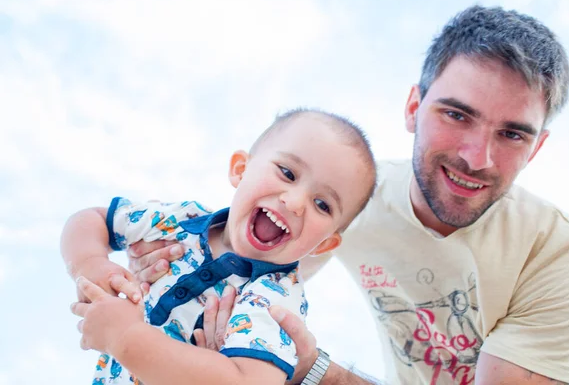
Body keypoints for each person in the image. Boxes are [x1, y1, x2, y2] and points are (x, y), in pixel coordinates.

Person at [123, 5, 569, 385]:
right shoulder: (348, 200)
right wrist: (169, 259)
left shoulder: (560, 259)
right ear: (413, 107)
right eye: (456, 115)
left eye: (512, 135)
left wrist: (314, 371)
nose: (477, 158)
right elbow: (243, 266)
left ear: (536, 148)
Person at [62, 108, 378, 385]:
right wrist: (90, 263)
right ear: (240, 169)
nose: (295, 202)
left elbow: (251, 381)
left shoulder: (275, 298)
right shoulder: (181, 220)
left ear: (325, 244)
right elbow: (91, 220)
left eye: (322, 204)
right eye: (287, 173)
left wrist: (126, 338)